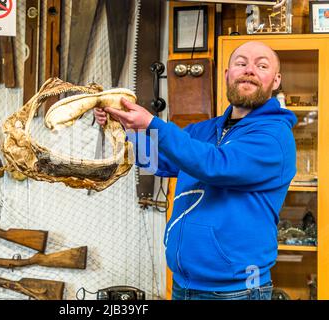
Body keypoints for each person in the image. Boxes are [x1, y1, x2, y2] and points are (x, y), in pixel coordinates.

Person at [94, 41, 297, 300]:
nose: (249, 70)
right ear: (227, 74)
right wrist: (124, 126)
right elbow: (157, 161)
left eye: (262, 65)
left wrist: (153, 124)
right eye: (241, 63)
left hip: (237, 291)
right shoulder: (204, 130)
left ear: (276, 80)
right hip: (184, 285)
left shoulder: (274, 137)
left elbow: (216, 165)